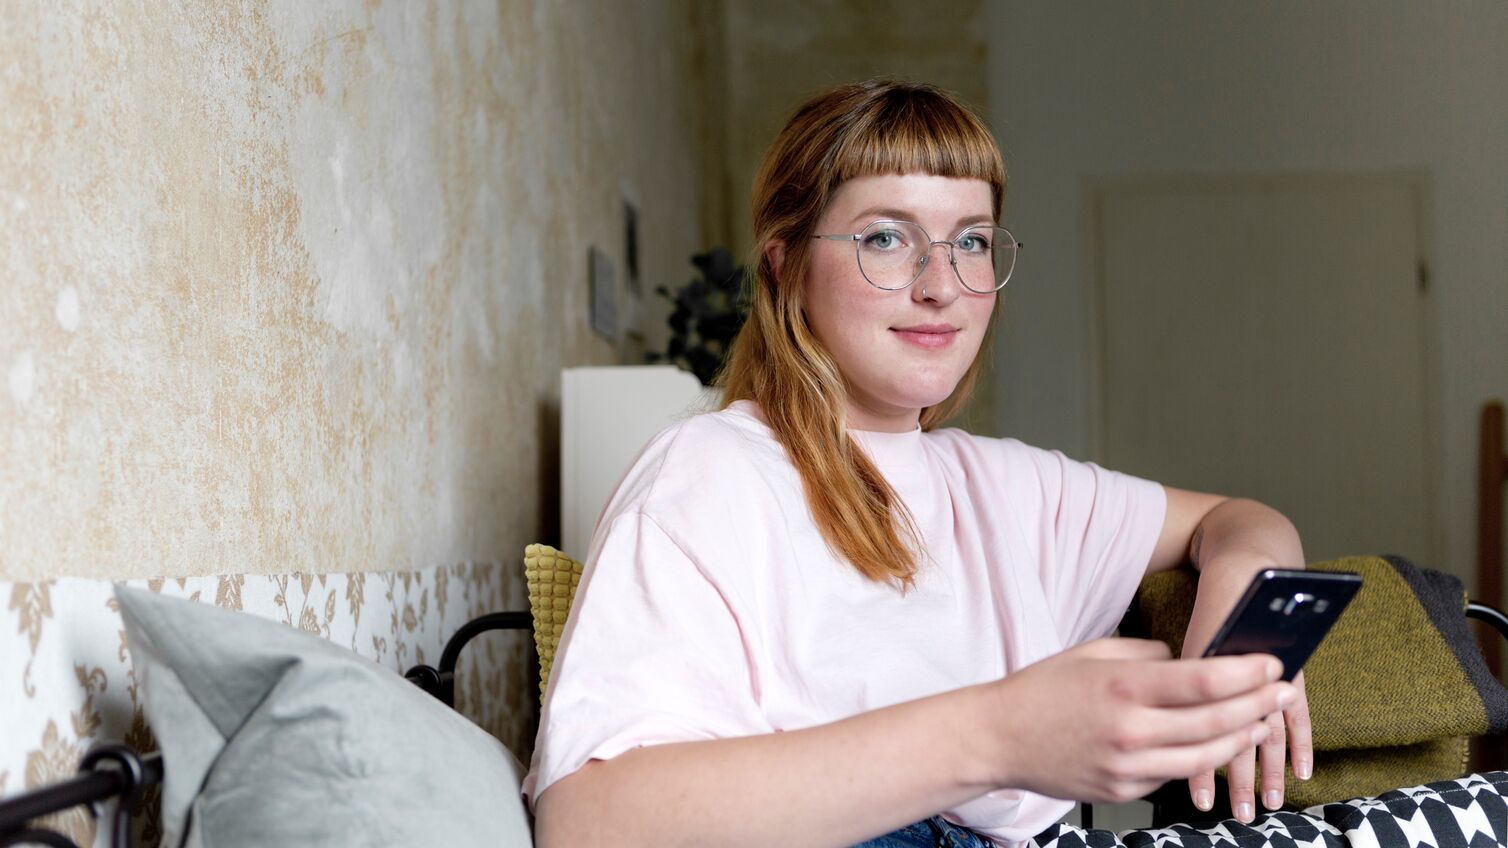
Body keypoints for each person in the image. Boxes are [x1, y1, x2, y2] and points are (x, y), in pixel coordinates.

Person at [524, 79, 1310, 848]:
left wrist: (1248, 604)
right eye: (886, 238)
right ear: (783, 267)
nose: (942, 286)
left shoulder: (1001, 487)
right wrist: (999, 735)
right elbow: (588, 822)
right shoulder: (709, 472)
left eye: (970, 240)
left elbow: (1238, 520)